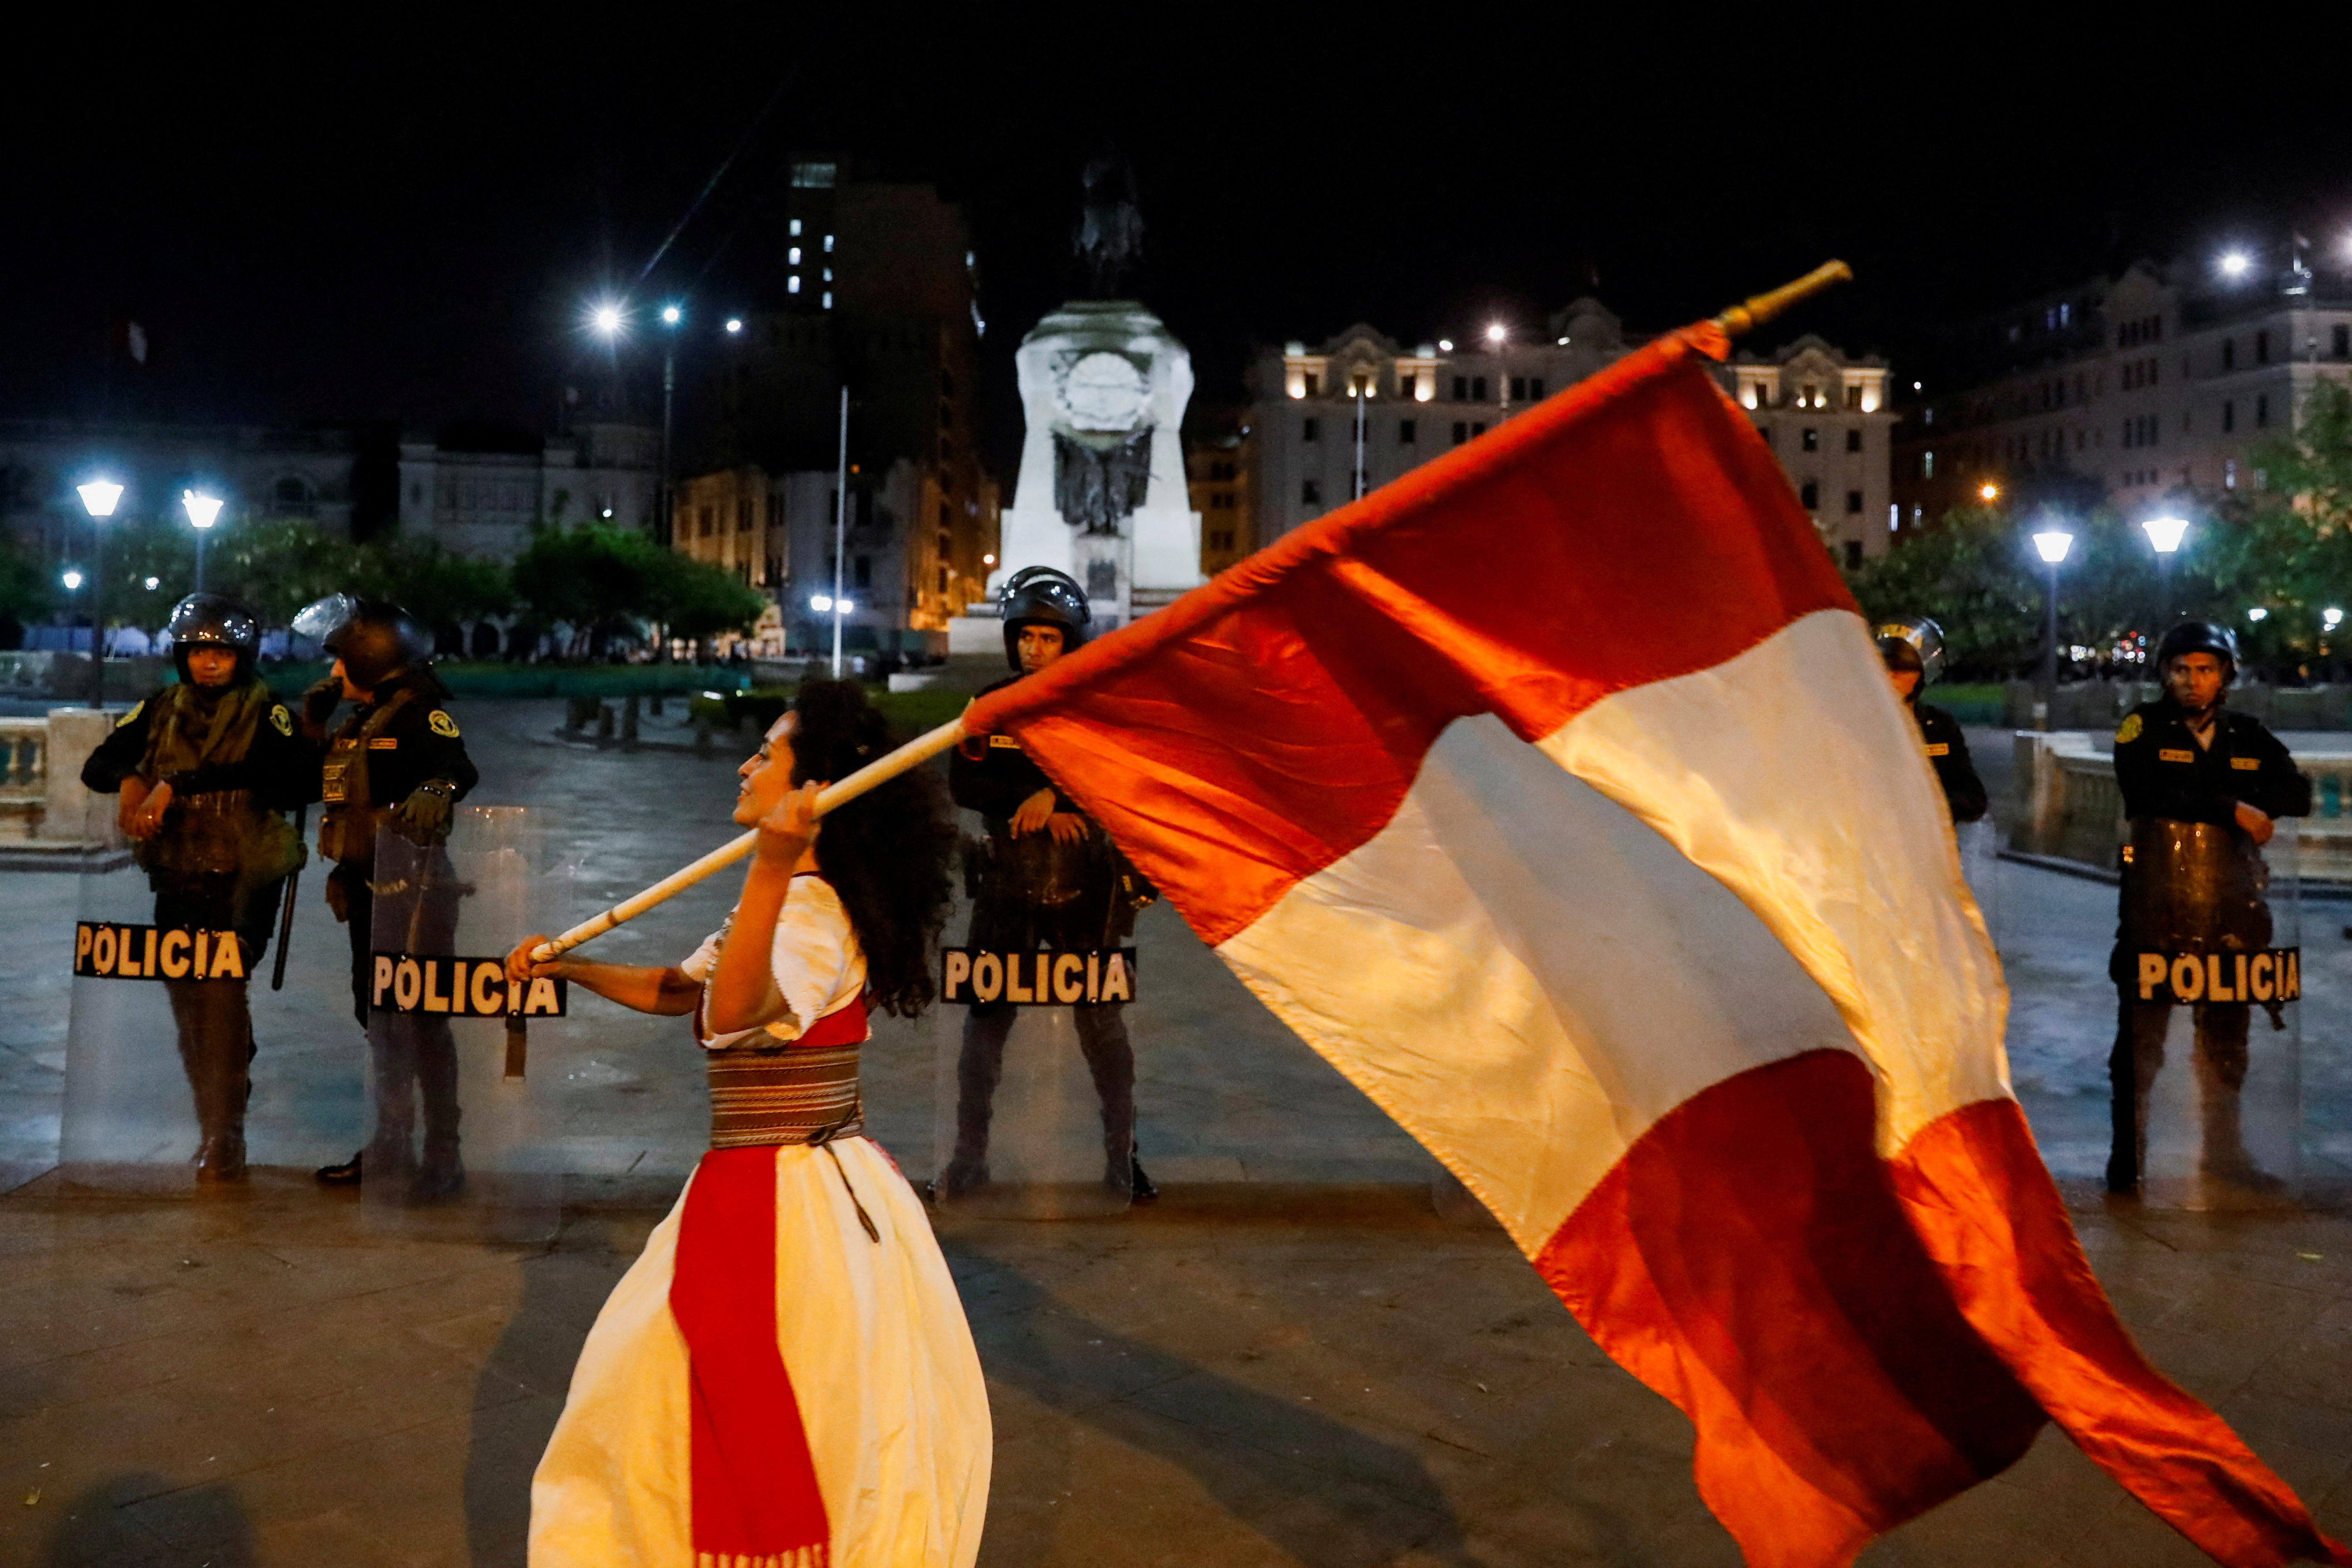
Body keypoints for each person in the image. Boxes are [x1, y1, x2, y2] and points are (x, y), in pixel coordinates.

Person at [511, 681, 989, 1568]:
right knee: (684, 1395)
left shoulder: (809, 908)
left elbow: (734, 1016)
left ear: (812, 791)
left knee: (719, 1407)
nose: (746, 762)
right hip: (770, 1179)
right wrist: (568, 969)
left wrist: (773, 867)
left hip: (789, 1194)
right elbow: (682, 991)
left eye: (768, 753)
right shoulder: (794, 900)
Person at [939, 566, 1157, 1202]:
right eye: (1026, 636)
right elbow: (964, 785)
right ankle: (968, 1156)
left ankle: (1124, 1159)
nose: (1036, 647)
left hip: (1083, 891)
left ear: (1071, 642)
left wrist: (1057, 797)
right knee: (986, 1026)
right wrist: (1025, 804)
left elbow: (1119, 781)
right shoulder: (989, 705)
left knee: (1102, 1027)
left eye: (1049, 637)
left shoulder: (1093, 711)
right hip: (1006, 887)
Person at [78, 593, 313, 1180]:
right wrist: (134, 780)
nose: (210, 663)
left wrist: (179, 783)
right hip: (178, 873)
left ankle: (226, 1131)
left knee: (222, 999)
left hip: (244, 875)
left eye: (223, 653)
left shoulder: (266, 710)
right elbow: (98, 763)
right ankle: (211, 1118)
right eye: (199, 651)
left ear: (244, 657)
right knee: (189, 1007)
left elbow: (284, 779)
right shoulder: (160, 707)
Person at [2107, 620, 2309, 1196]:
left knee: (2226, 1039)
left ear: (2225, 676)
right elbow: (2146, 792)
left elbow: (2297, 793)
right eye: (2180, 670)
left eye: (2205, 670)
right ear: (2164, 674)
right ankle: (2130, 1154)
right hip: (2157, 908)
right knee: (2140, 1042)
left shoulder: (2247, 734)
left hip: (2233, 909)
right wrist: (2231, 807)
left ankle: (2225, 1149)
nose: (2192, 681)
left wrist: (2248, 803)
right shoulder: (2142, 727)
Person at [292, 594, 479, 1197]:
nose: (334, 673)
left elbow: (457, 763)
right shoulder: (360, 721)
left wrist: (437, 787)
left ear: (372, 659)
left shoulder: (415, 713)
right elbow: (311, 783)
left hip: (418, 889)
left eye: (341, 662)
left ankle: (444, 1155)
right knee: (378, 1019)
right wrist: (313, 727)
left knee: (422, 1020)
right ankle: (391, 1144)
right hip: (367, 888)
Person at [1875, 617, 1986, 824]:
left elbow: (1973, 797)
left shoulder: (1939, 726)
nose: (1891, 677)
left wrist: (1927, 807)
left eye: (1901, 671)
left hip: (1924, 838)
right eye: (1883, 669)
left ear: (1922, 675)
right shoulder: (1852, 724)